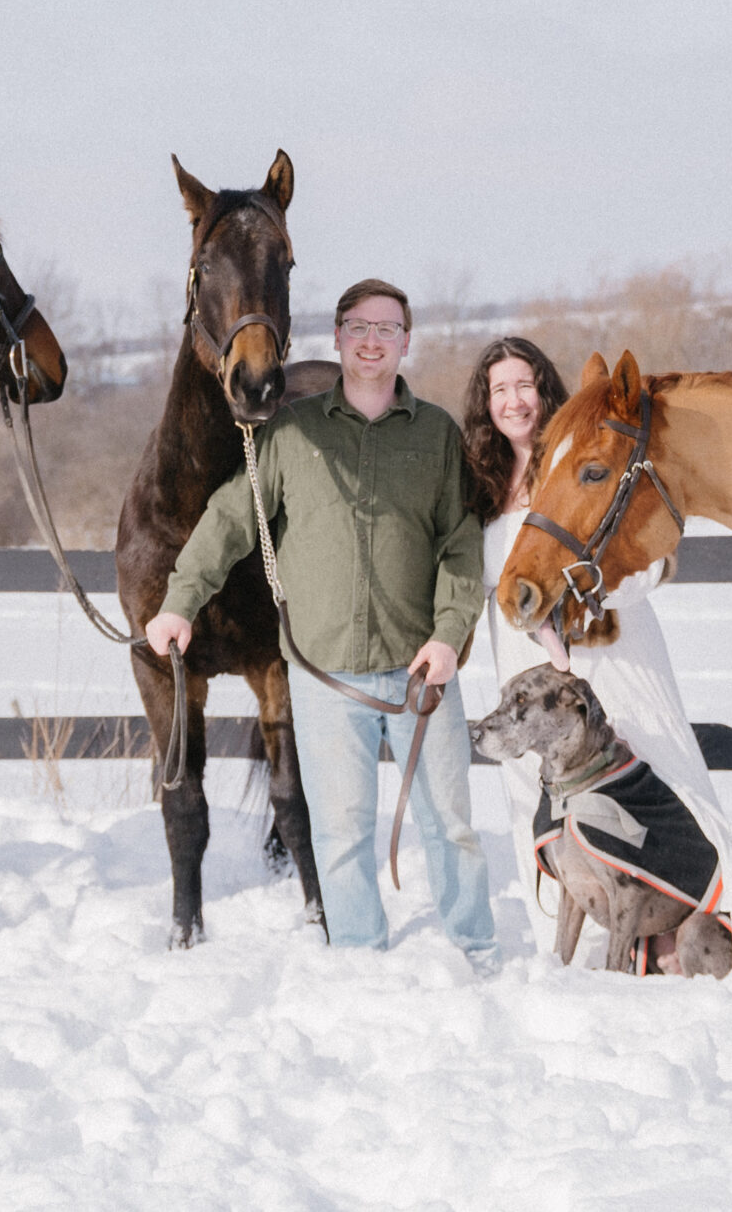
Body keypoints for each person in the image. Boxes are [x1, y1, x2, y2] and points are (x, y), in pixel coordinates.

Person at [149, 279, 495, 966]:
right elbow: (229, 519)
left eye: (387, 328)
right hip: (324, 672)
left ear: (405, 341)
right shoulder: (290, 431)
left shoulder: (436, 435)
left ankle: (475, 948)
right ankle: (360, 958)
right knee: (340, 831)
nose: (371, 341)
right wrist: (180, 601)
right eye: (358, 327)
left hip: (421, 669)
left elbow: (460, 544)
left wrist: (450, 635)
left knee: (452, 824)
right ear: (336, 337)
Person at [463, 335, 732, 976]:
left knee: (661, 779)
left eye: (525, 385)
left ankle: (724, 925)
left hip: (611, 654)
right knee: (538, 800)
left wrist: (590, 597)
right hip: (522, 663)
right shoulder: (480, 487)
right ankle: (569, 952)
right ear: (484, 404)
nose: (514, 400)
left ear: (545, 390)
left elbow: (653, 559)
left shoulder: (587, 455)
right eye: (499, 389)